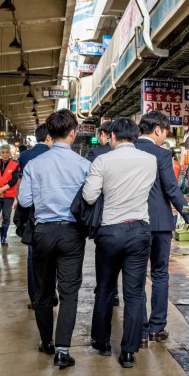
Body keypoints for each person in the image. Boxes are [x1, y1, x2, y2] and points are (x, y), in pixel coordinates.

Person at [18, 109, 90, 369]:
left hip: (43, 233)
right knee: (69, 292)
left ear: (49, 135)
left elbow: (25, 200)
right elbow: (91, 199)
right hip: (71, 233)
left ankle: (46, 342)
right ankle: (62, 349)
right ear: (73, 133)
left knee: (44, 291)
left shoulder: (34, 165)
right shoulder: (84, 166)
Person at [83, 118, 157, 368]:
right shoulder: (151, 160)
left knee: (105, 289)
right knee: (135, 293)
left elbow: (89, 197)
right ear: (136, 136)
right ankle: (128, 351)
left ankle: (102, 342)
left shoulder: (103, 160)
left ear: (112, 135)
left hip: (110, 232)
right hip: (139, 231)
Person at [136, 111, 189, 345]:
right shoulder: (161, 155)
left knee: (135, 276)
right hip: (160, 224)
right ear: (157, 130)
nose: (165, 136)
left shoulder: (128, 151)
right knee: (159, 274)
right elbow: (171, 189)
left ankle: (140, 329)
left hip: (133, 222)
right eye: (165, 131)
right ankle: (156, 327)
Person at [18, 124, 54, 310]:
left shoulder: (24, 157)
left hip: (31, 214)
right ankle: (51, 291)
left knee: (34, 257)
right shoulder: (55, 157)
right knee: (54, 256)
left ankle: (35, 297)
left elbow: (23, 193)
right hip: (53, 210)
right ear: (49, 137)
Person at [85, 120, 119, 306]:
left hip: (103, 213)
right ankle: (115, 293)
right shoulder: (130, 154)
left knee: (104, 256)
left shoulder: (96, 153)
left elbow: (90, 185)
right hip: (128, 214)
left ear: (105, 135)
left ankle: (104, 291)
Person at [0, 145, 20, 246]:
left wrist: (2, 189)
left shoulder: (15, 165)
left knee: (6, 217)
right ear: (0, 154)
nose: (5, 154)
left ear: (10, 153)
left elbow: (14, 179)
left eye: (7, 152)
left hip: (8, 196)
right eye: (3, 152)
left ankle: (3, 238)